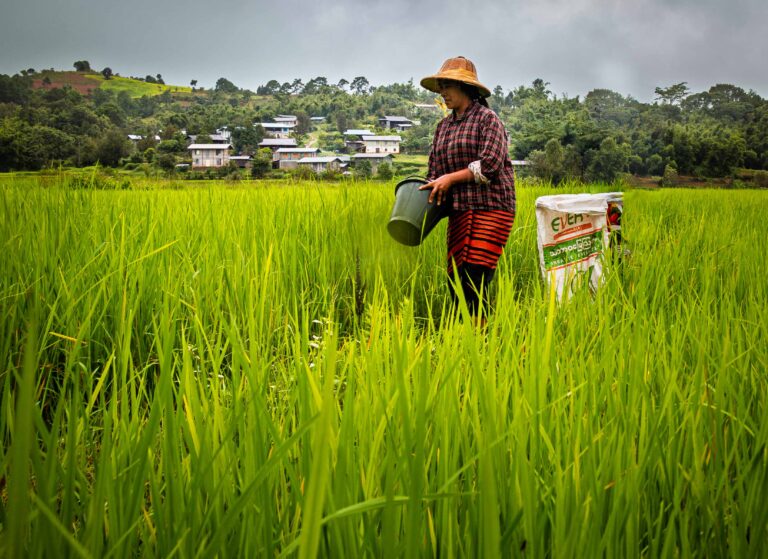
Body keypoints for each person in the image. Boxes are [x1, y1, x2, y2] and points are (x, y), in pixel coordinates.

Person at [418, 56, 516, 320]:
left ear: (465, 87)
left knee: (475, 275)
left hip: (491, 208)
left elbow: (490, 165)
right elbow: (435, 172)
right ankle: (466, 341)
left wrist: (450, 179)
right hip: (460, 210)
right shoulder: (443, 127)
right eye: (441, 86)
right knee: (456, 279)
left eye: (448, 86)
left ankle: (482, 342)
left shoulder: (487, 120)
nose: (443, 93)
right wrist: (431, 185)